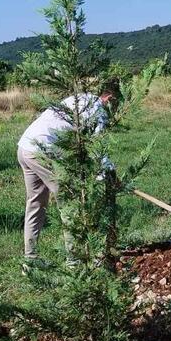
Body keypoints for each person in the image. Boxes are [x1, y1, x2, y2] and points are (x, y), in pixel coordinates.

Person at [16, 81, 119, 262]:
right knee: (69, 201)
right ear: (109, 98)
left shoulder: (78, 99)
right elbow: (98, 150)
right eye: (116, 103)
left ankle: (30, 260)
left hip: (25, 146)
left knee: (35, 203)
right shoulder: (98, 110)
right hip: (42, 149)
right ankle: (74, 261)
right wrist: (109, 174)